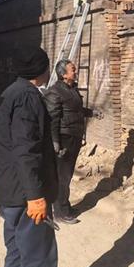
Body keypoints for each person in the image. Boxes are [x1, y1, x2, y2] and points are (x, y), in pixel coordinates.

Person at [0, 45, 58, 267]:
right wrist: (35, 196)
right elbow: (25, 150)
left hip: (10, 193)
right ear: (40, 69)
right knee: (38, 261)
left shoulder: (10, 93)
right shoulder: (27, 97)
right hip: (26, 197)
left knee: (16, 256)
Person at [44, 59, 101, 224]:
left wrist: (91, 113)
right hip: (64, 139)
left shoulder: (71, 89)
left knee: (67, 175)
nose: (76, 72)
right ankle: (60, 213)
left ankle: (65, 206)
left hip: (73, 137)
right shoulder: (55, 92)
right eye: (73, 70)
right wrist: (55, 142)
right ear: (63, 74)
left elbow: (76, 110)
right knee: (62, 176)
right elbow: (52, 119)